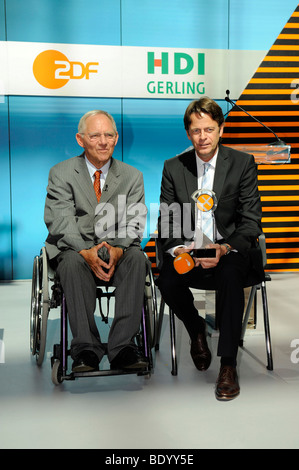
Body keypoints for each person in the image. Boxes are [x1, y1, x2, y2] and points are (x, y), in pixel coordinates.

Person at [156, 97, 264, 401]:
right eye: (195, 130)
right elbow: (168, 220)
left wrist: (224, 247)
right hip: (189, 251)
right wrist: (180, 250)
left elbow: (251, 221)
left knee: (230, 275)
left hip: (229, 251)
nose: (202, 137)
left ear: (221, 129)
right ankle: (197, 329)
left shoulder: (242, 163)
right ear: (188, 134)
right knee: (165, 279)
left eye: (209, 129)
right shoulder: (174, 167)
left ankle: (228, 364)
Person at [44, 110, 149, 372]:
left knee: (137, 258)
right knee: (69, 263)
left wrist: (119, 248)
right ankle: (86, 349)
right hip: (75, 249)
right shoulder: (61, 172)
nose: (103, 141)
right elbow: (60, 219)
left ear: (116, 138)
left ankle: (123, 347)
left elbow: (134, 220)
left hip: (116, 248)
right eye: (95, 135)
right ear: (81, 140)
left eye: (109, 135)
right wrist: (84, 251)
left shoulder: (132, 176)